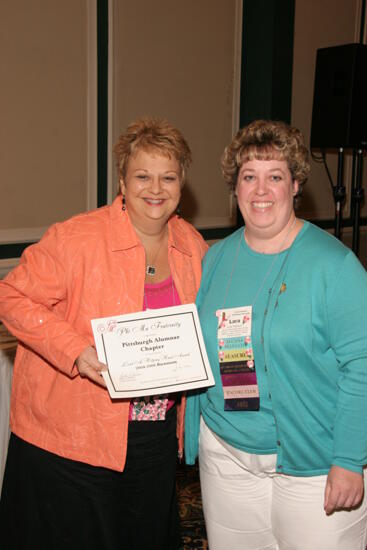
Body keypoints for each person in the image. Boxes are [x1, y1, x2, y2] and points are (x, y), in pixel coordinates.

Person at [0, 117, 208, 550]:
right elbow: (12, 298)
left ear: (182, 182)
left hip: (153, 434)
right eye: (142, 176)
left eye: (168, 177)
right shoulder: (77, 239)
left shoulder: (193, 248)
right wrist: (75, 352)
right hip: (74, 434)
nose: (155, 188)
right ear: (122, 179)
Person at [185, 119, 367, 550]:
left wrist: (348, 459)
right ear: (235, 186)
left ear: (297, 184)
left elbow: (362, 367)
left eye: (275, 177)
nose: (261, 190)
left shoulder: (334, 266)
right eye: (249, 176)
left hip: (314, 467)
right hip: (226, 459)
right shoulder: (217, 259)